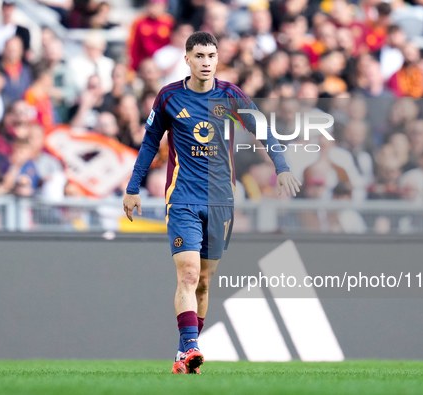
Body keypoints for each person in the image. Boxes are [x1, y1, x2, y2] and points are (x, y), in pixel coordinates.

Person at [122, 31, 301, 374]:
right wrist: (133, 187)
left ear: (218, 59)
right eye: (199, 56)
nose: (206, 62)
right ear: (187, 59)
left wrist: (282, 167)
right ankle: (192, 347)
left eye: (211, 56)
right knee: (188, 275)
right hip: (183, 198)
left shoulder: (230, 96)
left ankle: (183, 355)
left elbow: (263, 130)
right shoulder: (169, 97)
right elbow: (149, 144)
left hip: (221, 201)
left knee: (204, 281)